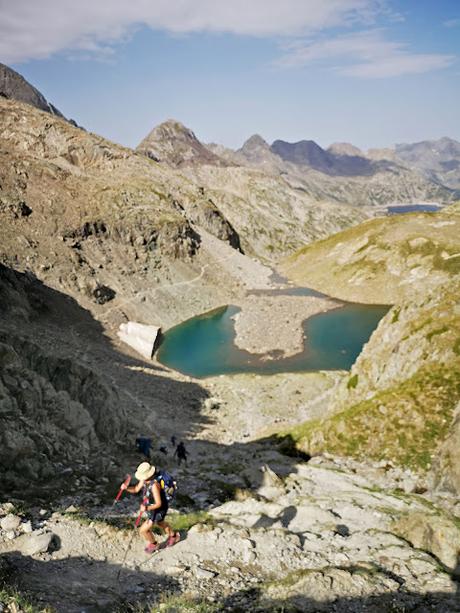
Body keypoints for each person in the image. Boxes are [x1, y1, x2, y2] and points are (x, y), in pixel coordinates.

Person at [121, 462, 180, 553]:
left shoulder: (154, 486)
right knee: (160, 523)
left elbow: (158, 503)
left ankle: (154, 544)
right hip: (151, 507)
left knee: (143, 530)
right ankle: (174, 536)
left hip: (159, 508)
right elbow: (136, 489)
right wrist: (126, 488)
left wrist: (146, 509)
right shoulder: (144, 480)